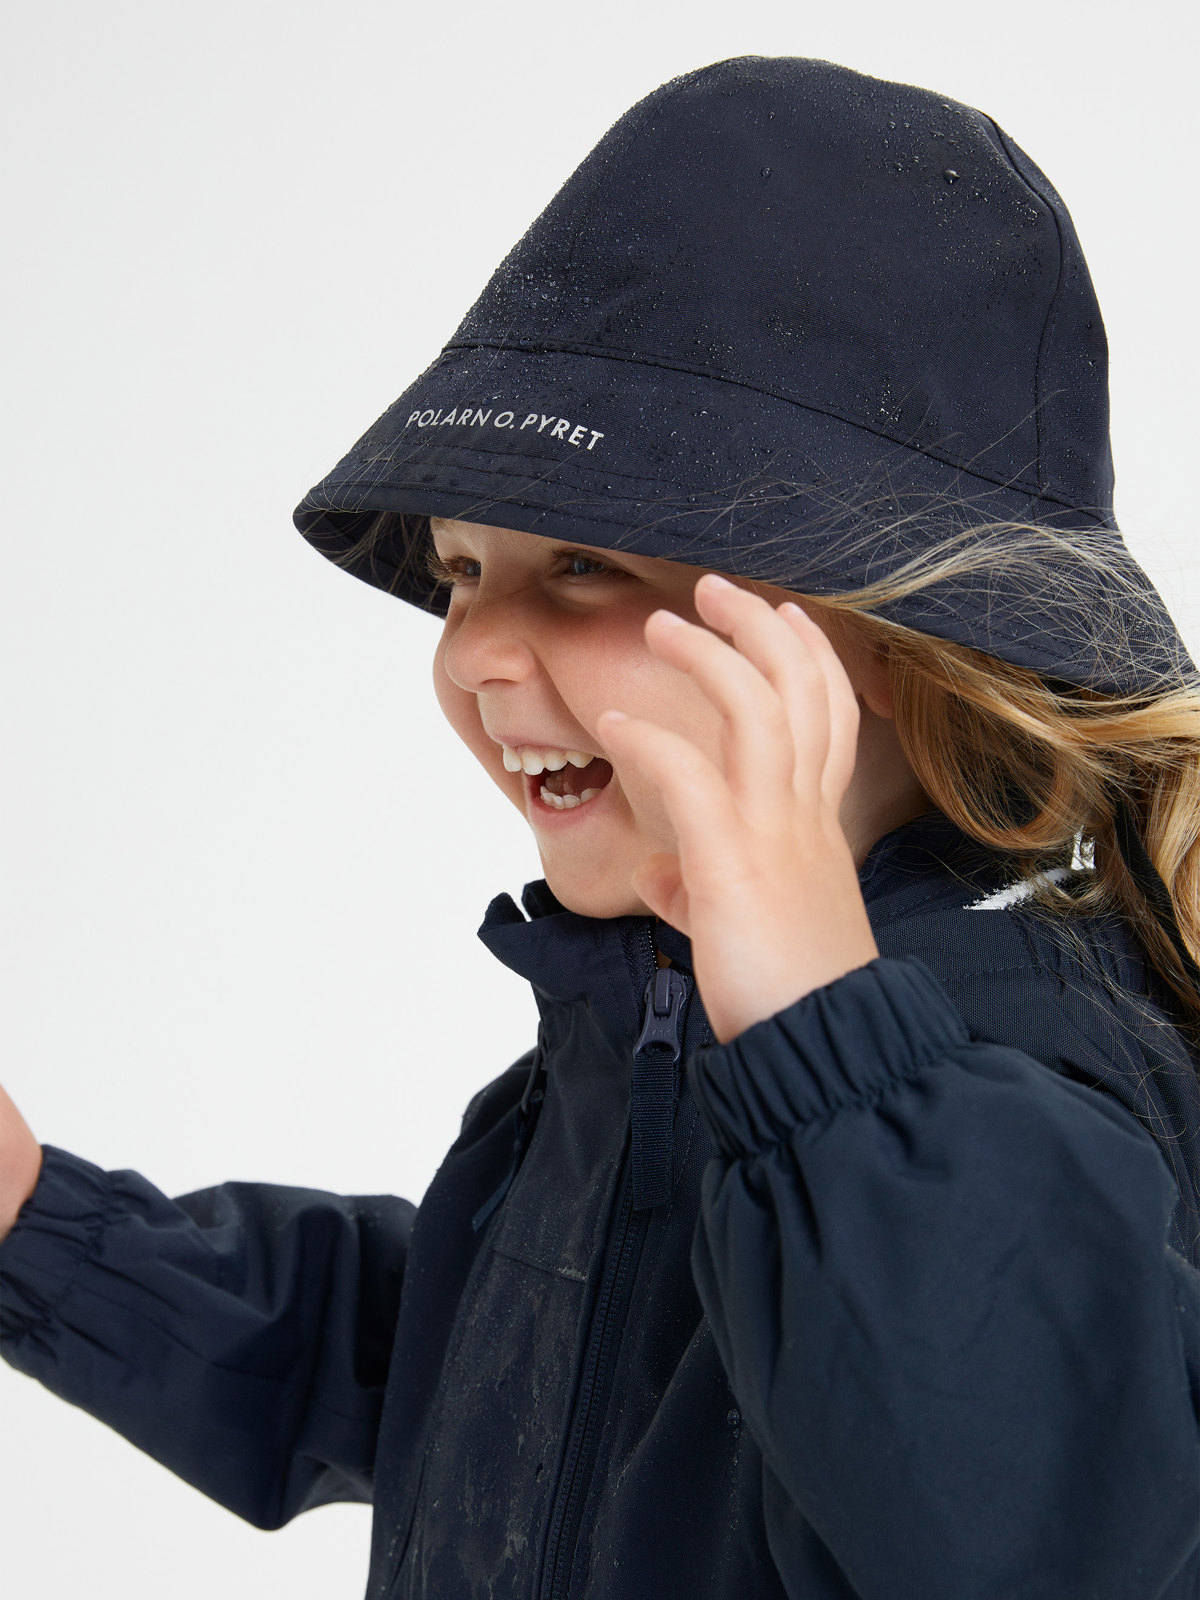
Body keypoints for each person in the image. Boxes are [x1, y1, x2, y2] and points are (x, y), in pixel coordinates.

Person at [2, 54, 1198, 1600]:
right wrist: (43, 1226)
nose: (475, 653)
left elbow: (1028, 1525)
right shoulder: (645, 1018)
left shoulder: (1036, 1067)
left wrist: (819, 1029)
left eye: (584, 566)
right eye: (462, 569)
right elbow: (465, 1380)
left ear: (890, 643)